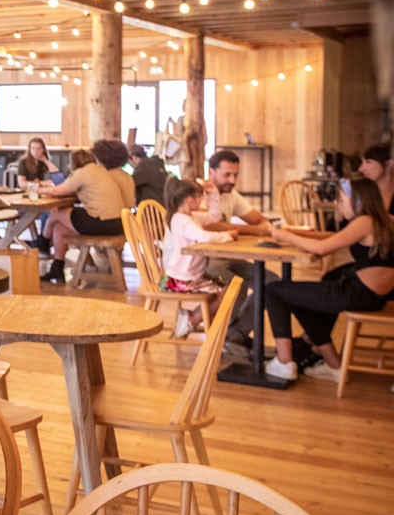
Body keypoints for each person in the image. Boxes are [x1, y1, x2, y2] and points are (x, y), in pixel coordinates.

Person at [263, 177, 394, 382]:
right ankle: (333, 364)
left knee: (274, 290)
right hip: (375, 297)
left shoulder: (364, 222)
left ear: (359, 201)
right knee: (305, 296)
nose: (338, 205)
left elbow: (321, 249)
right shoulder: (386, 220)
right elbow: (332, 238)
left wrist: (285, 236)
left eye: (342, 200)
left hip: (357, 293)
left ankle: (284, 362)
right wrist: (298, 233)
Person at [197, 149, 275, 358]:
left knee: (272, 283)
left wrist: (263, 226)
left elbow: (258, 220)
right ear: (211, 172)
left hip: (227, 256)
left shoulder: (231, 195)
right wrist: (255, 230)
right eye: (227, 175)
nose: (232, 180)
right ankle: (225, 337)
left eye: (236, 175)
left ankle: (234, 335)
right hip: (199, 260)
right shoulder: (199, 194)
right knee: (235, 285)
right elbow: (211, 225)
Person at [39, 140, 131, 284]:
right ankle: (57, 269)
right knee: (59, 229)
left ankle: (42, 242)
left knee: (56, 213)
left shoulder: (84, 172)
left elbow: (59, 190)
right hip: (118, 223)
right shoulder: (103, 172)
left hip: (101, 222)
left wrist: (38, 190)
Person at [159, 177, 239, 338]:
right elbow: (203, 237)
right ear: (190, 200)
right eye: (199, 197)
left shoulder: (189, 216)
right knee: (225, 292)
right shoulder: (183, 221)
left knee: (226, 289)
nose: (201, 200)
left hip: (187, 276)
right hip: (179, 280)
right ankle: (192, 319)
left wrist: (213, 193)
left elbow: (214, 216)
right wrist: (227, 236)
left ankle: (190, 317)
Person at [358, 143, 393, 211]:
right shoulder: (365, 195)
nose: (360, 169)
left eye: (368, 162)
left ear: (388, 163)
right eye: (362, 162)